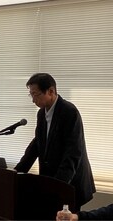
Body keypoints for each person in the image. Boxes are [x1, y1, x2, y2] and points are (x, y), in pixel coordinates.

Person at [14, 73, 95, 212]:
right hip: (51, 182)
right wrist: (16, 172)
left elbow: (73, 154)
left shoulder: (69, 112)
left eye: (36, 94)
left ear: (51, 91)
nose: (33, 100)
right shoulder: (41, 113)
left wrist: (57, 187)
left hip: (70, 184)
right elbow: (36, 145)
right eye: (31, 95)